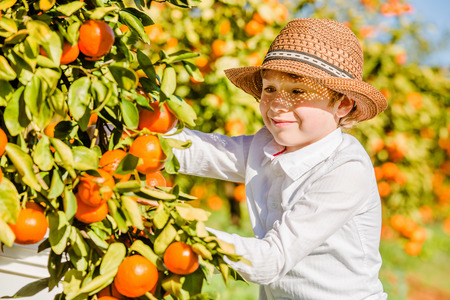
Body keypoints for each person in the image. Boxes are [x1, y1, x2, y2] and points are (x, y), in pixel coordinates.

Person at [170, 18, 388, 299]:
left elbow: (270, 261)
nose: (276, 104)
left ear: (342, 104)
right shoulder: (265, 146)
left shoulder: (346, 169)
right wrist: (123, 131)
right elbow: (195, 150)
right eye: (269, 89)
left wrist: (179, 233)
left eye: (298, 91)